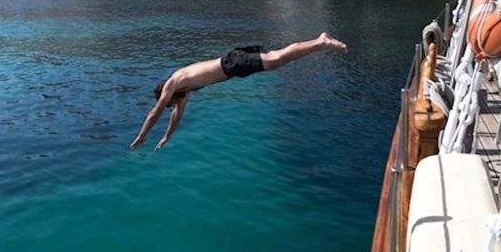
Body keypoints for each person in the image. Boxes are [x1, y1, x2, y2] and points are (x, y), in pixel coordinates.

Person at [130, 32, 348, 151]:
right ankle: (318, 42)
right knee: (277, 58)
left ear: (163, 94)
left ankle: (321, 42)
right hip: (231, 64)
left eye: (167, 102)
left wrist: (143, 134)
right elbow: (177, 114)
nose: (170, 105)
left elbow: (155, 112)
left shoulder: (173, 83)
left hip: (231, 64)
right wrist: (167, 136)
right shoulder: (183, 89)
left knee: (276, 60)